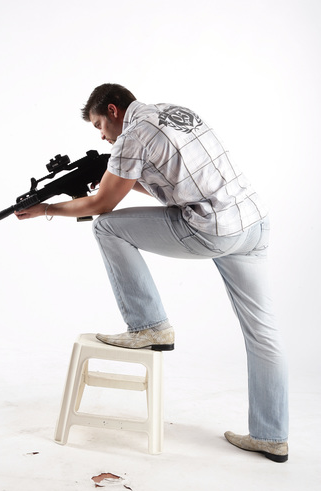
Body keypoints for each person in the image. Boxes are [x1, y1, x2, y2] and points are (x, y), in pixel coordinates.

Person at [15, 83, 289, 462]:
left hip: (211, 229)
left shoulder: (132, 136)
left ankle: (149, 327)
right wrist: (120, 177)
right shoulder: (176, 111)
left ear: (113, 110)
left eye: (98, 125)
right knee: (264, 334)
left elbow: (102, 205)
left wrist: (46, 209)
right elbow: (176, 180)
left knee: (104, 227)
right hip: (253, 223)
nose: (101, 135)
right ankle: (271, 436)